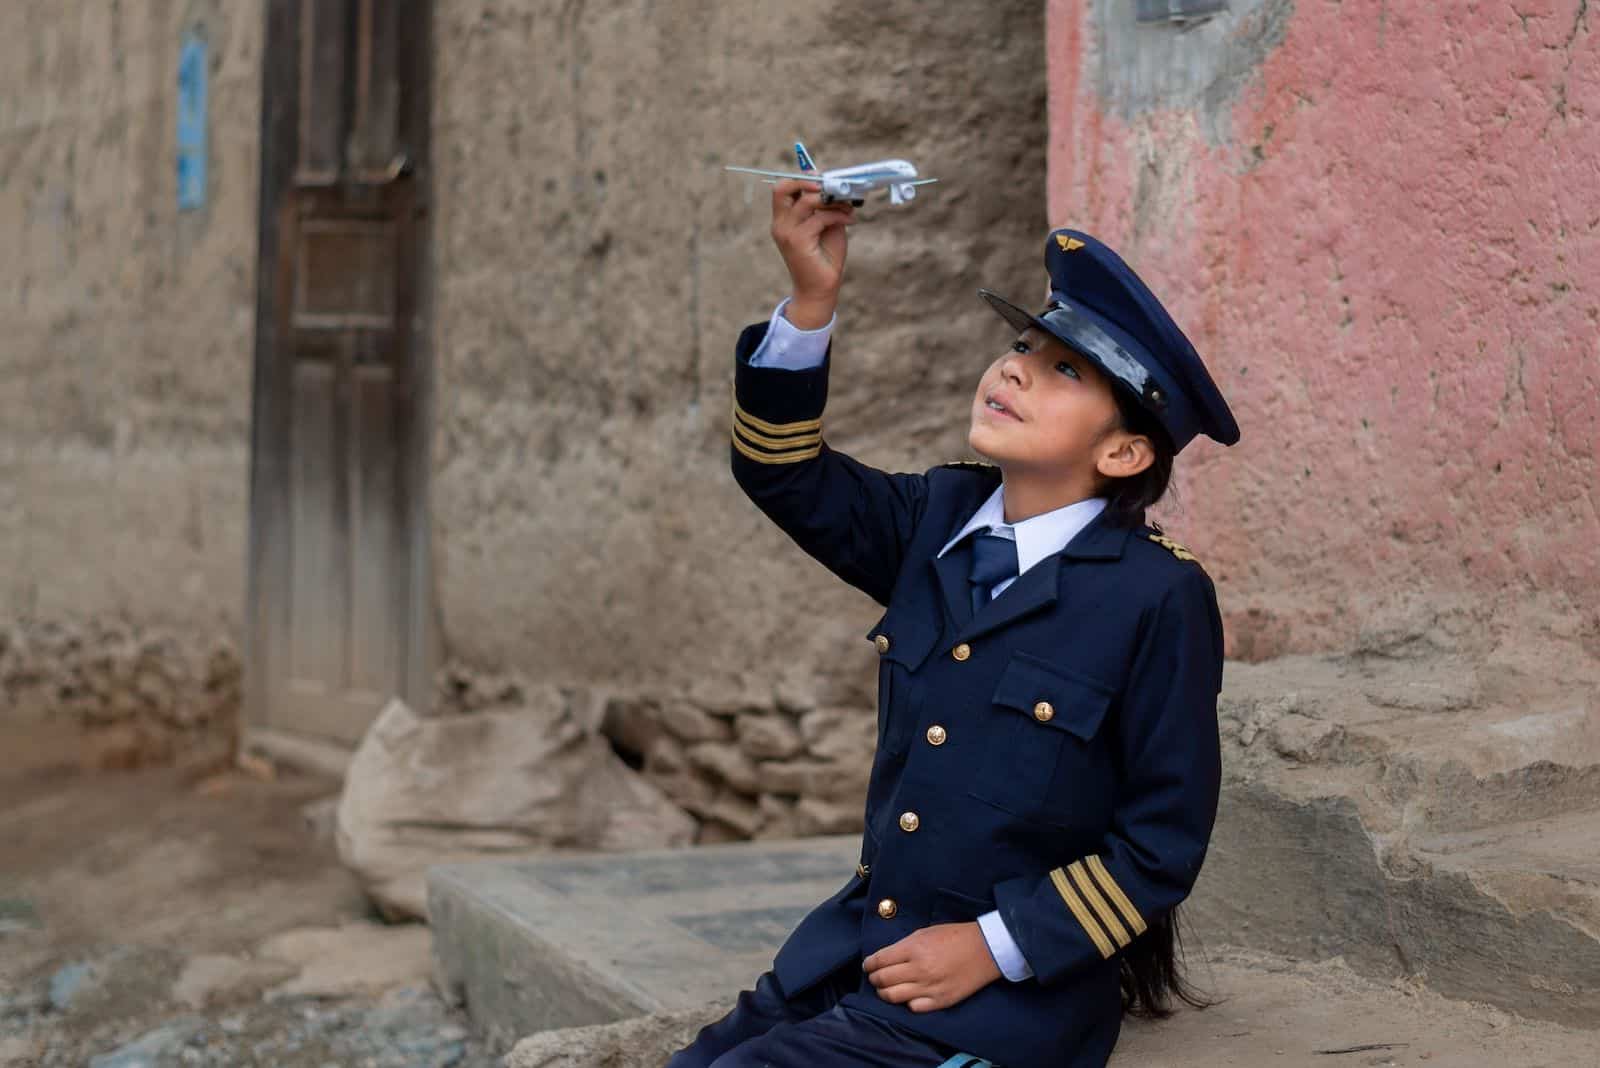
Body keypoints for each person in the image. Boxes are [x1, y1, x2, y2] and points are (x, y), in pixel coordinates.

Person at [666, 179, 1241, 1068]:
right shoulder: (937, 517)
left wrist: (993, 945)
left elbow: (1161, 842)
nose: (1011, 367)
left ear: (1123, 452)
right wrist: (813, 301)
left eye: (1064, 371)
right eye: (1021, 345)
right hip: (856, 951)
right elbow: (784, 471)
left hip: (1004, 1002)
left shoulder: (1153, 596)